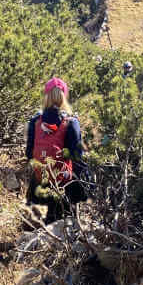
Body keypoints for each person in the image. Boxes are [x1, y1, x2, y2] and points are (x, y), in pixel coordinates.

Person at [26, 77, 88, 224]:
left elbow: (29, 153)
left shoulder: (36, 120)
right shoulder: (71, 122)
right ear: (64, 96)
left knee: (38, 227)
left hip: (39, 184)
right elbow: (77, 157)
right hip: (62, 187)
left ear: (46, 96)